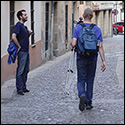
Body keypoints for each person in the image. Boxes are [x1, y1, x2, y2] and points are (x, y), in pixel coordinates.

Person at [71, 8, 106, 111]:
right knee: (90, 80)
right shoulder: (97, 29)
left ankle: (82, 94)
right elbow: (100, 46)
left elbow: (73, 43)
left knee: (81, 79)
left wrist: (72, 45)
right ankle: (89, 102)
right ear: (92, 16)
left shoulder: (78, 28)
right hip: (92, 58)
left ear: (83, 15)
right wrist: (103, 60)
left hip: (81, 57)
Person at [12, 9, 33, 95]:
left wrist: (29, 33)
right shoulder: (18, 25)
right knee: (20, 70)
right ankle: (19, 88)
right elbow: (13, 36)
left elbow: (23, 38)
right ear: (20, 17)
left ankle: (23, 87)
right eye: (25, 15)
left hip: (26, 51)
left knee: (26, 70)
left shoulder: (24, 27)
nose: (26, 16)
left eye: (26, 15)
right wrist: (19, 46)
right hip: (22, 51)